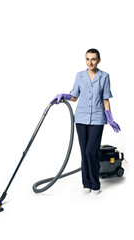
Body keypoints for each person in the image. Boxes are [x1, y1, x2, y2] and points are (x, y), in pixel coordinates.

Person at [51, 48, 120, 194]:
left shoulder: (104, 77)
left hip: (97, 119)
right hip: (81, 118)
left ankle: (95, 184)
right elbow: (74, 96)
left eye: (93, 59)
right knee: (84, 152)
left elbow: (105, 99)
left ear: (98, 60)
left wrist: (110, 118)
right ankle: (86, 184)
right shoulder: (79, 76)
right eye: (88, 59)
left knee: (91, 152)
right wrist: (63, 95)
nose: (90, 62)